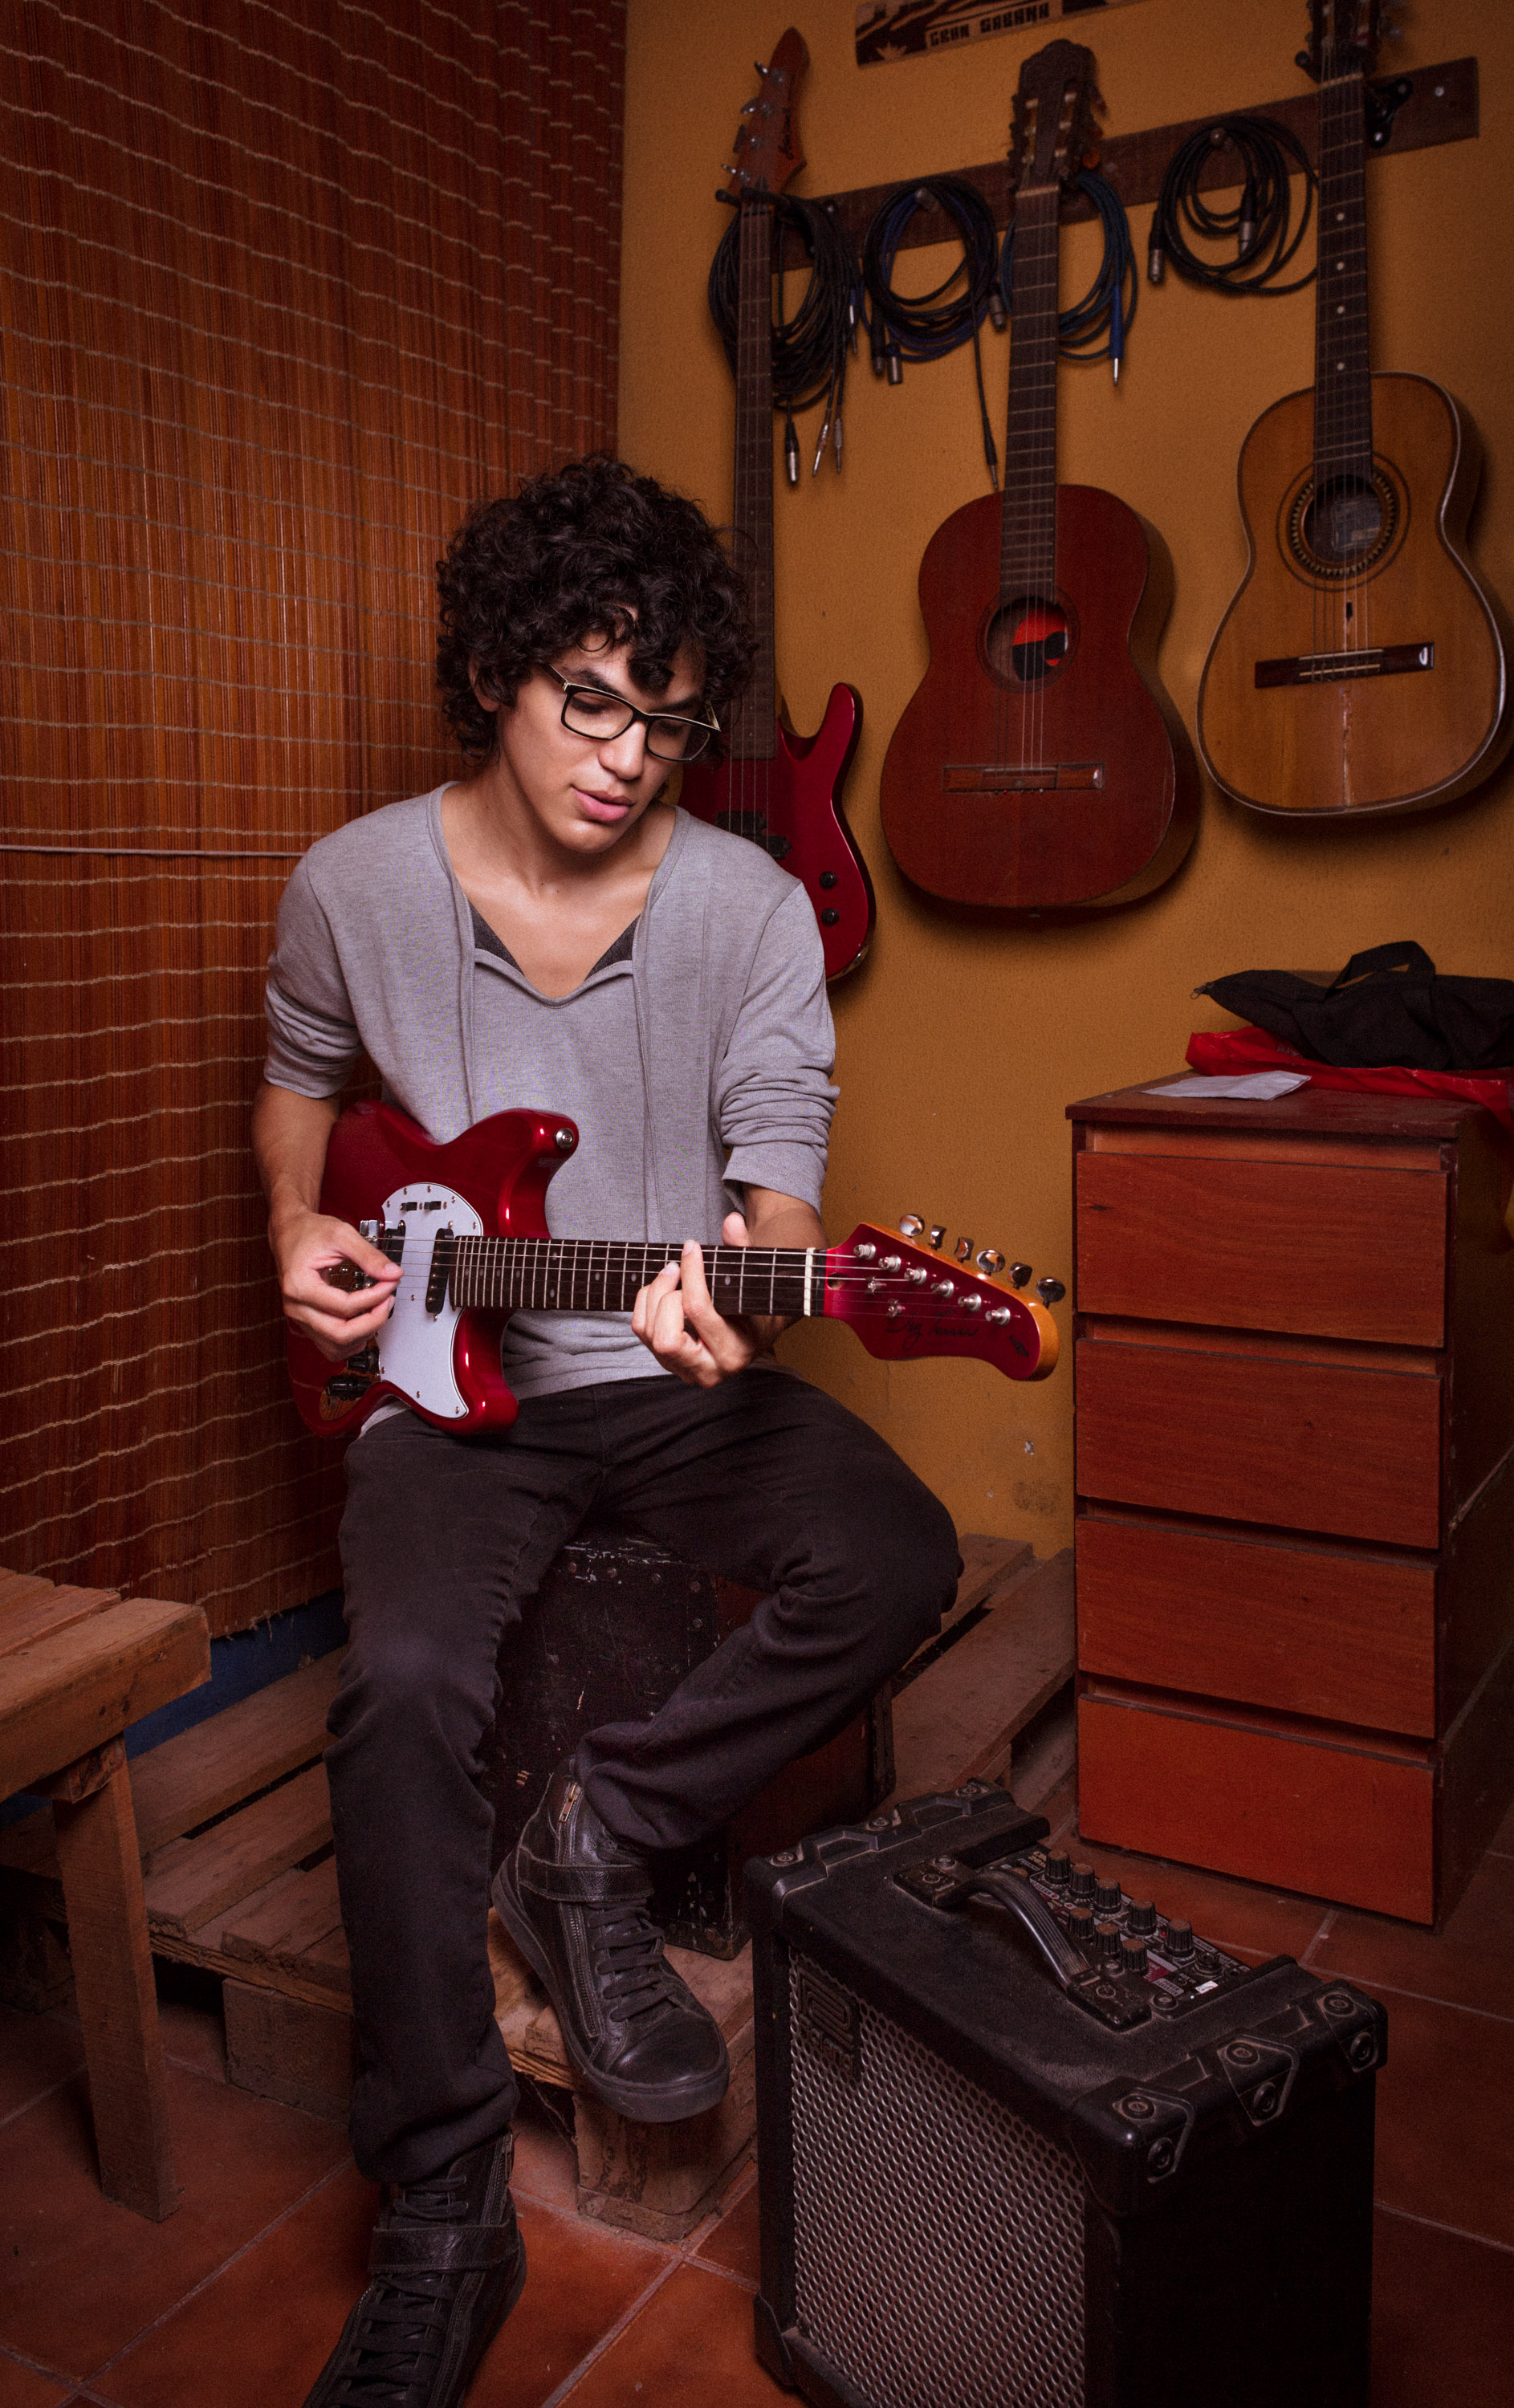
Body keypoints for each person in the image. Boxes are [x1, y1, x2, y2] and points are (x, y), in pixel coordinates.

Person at [254, 455, 959, 2408]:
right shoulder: (351, 888)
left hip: (662, 1379)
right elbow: (296, 1077)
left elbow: (782, 1173)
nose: (627, 758)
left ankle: (597, 1839)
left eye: (668, 720)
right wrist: (296, 1228)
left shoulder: (749, 911)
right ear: (494, 669)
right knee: (401, 1689)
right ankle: (442, 2200)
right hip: (444, 1392)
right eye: (589, 701)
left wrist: (746, 1279)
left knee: (894, 1549)